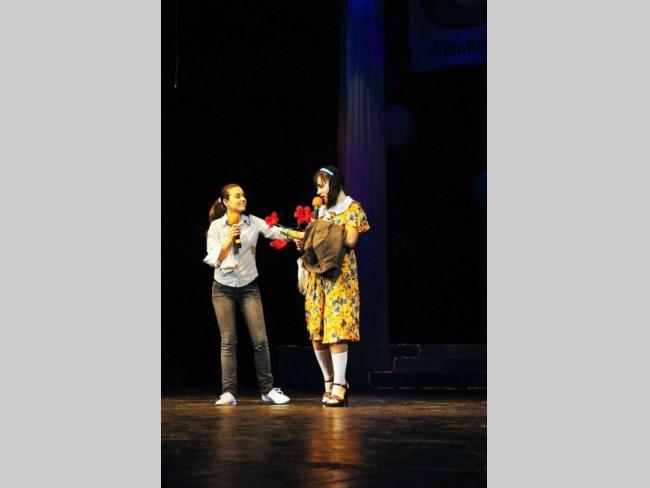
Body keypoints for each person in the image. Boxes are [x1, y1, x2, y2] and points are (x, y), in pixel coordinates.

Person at [204, 183, 290, 406]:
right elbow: (213, 259)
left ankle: (267, 390)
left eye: (243, 195)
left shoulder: (253, 222)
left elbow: (276, 232)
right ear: (226, 202)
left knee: (260, 340)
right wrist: (228, 240)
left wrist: (301, 235)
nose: (242, 199)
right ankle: (229, 393)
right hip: (222, 288)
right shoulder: (216, 227)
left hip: (249, 287)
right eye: (237, 196)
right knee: (228, 341)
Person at [294, 166, 370, 407]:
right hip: (317, 276)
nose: (319, 191)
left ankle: (340, 384)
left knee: (336, 329)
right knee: (317, 331)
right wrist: (306, 240)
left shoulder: (352, 208)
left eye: (322, 186)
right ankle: (328, 381)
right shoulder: (321, 212)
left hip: (340, 277)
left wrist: (324, 229)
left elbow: (350, 240)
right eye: (317, 187)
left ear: (334, 183)